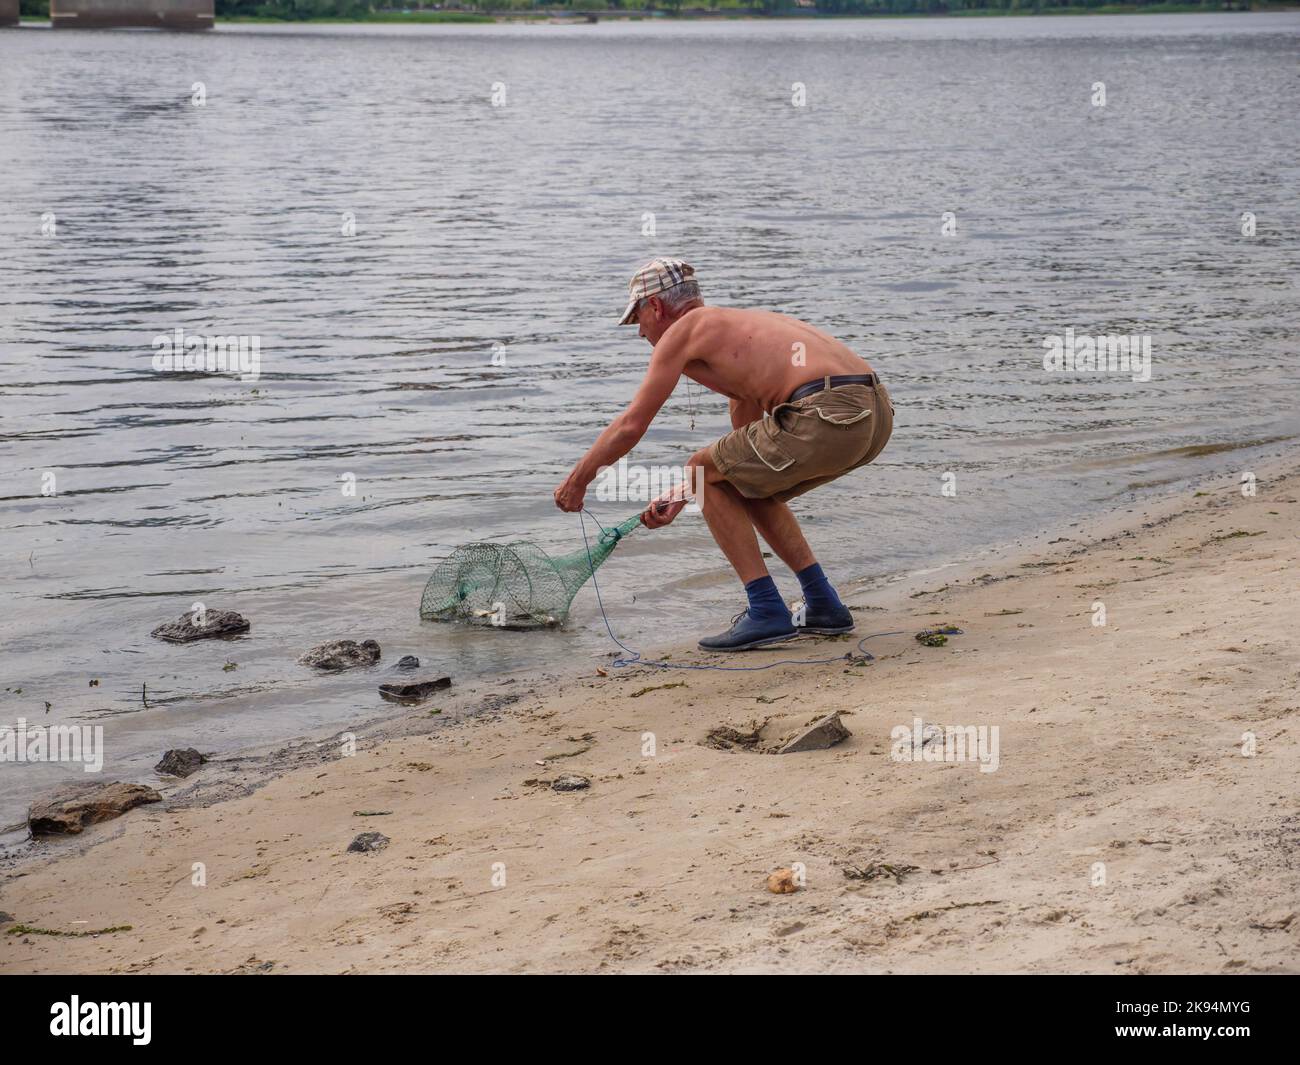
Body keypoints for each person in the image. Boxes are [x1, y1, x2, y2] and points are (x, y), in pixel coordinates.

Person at [554, 258, 893, 651]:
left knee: (699, 468)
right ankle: (823, 604)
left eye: (638, 320)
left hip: (827, 411)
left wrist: (577, 481)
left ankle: (766, 610)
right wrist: (688, 494)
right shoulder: (737, 328)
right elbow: (743, 457)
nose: (641, 332)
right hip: (874, 415)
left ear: (656, 307)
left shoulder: (683, 332)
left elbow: (632, 424)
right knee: (742, 485)